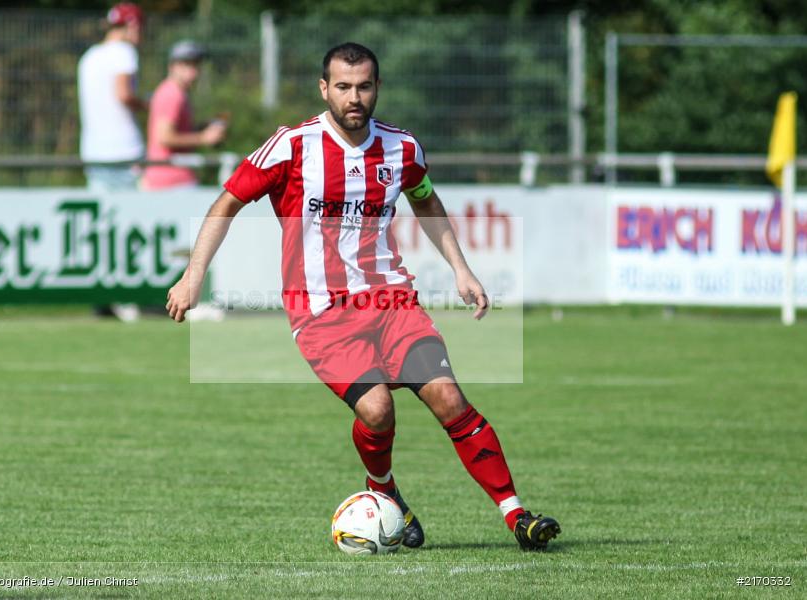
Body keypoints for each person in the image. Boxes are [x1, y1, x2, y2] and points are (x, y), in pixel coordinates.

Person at [165, 43, 560, 551]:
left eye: (365, 86)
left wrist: (462, 269)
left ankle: (517, 517)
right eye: (344, 87)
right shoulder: (291, 146)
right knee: (376, 411)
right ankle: (385, 493)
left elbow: (426, 200)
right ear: (324, 88)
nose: (355, 97)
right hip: (321, 314)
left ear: (377, 88)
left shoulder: (402, 148)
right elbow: (228, 201)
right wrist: (194, 275)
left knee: (449, 397)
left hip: (391, 300)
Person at [77, 2, 148, 192]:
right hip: (124, 150)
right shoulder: (124, 52)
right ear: (133, 25)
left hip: (93, 152)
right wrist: (148, 105)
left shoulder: (89, 56)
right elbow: (124, 94)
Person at [142, 40, 227, 191]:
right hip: (170, 181)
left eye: (196, 65)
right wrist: (204, 137)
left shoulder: (176, 92)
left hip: (171, 179)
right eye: (187, 64)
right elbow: (164, 137)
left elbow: (173, 132)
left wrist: (201, 128)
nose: (194, 71)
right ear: (173, 66)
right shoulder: (172, 94)